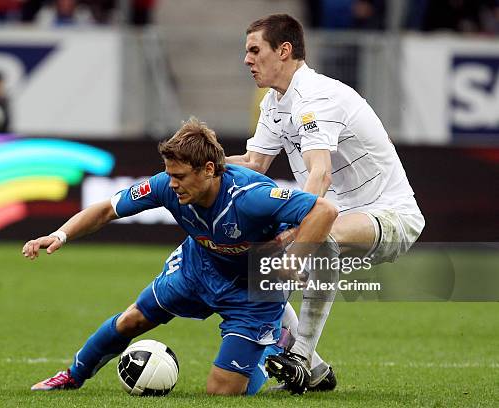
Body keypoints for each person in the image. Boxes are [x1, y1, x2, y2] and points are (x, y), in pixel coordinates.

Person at [22, 117, 337, 395]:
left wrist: (292, 258)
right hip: (196, 269)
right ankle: (72, 376)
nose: (172, 184)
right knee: (133, 319)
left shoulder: (250, 197)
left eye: (181, 176)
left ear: (209, 170)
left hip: (250, 291)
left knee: (222, 392)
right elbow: (106, 209)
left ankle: (273, 346)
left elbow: (323, 210)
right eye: (169, 174)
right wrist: (60, 234)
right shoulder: (167, 186)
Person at [227, 14, 425, 394]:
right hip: (337, 214)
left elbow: (320, 176)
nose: (247, 59)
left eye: (254, 50)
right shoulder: (275, 102)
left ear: (283, 51)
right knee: (254, 263)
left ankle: (300, 354)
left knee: (318, 235)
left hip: (391, 216)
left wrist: (297, 245)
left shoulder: (317, 97)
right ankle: (314, 371)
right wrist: (198, 162)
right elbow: (254, 165)